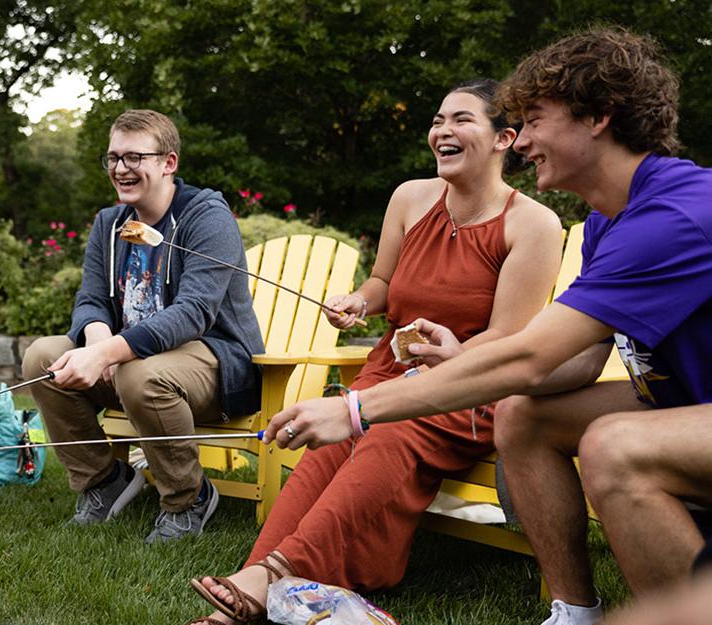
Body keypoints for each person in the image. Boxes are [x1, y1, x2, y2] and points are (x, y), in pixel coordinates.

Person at [266, 29, 712, 625]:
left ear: (599, 116)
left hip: (688, 411)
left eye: (533, 121)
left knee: (614, 445)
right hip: (681, 401)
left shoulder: (673, 215)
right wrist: (461, 365)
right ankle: (574, 610)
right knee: (523, 414)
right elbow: (573, 361)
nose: (521, 140)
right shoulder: (611, 221)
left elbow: (526, 356)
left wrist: (355, 411)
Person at [189, 80, 562, 624]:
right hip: (386, 373)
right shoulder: (410, 198)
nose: (442, 131)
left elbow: (508, 339)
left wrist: (454, 354)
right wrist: (358, 303)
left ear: (505, 138)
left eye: (460, 120)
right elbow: (383, 280)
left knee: (389, 431)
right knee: (330, 446)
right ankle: (266, 585)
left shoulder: (532, 224)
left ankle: (265, 582)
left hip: (466, 388)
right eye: (437, 120)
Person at [21, 109, 264, 544]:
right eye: (113, 158)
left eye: (134, 157)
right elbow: (92, 299)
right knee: (42, 355)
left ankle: (187, 499)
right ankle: (103, 480)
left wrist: (112, 352)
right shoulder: (109, 224)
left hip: (216, 364)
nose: (120, 168)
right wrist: (98, 338)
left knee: (140, 372)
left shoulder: (207, 218)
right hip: (128, 362)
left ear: (168, 162)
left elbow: (194, 312)